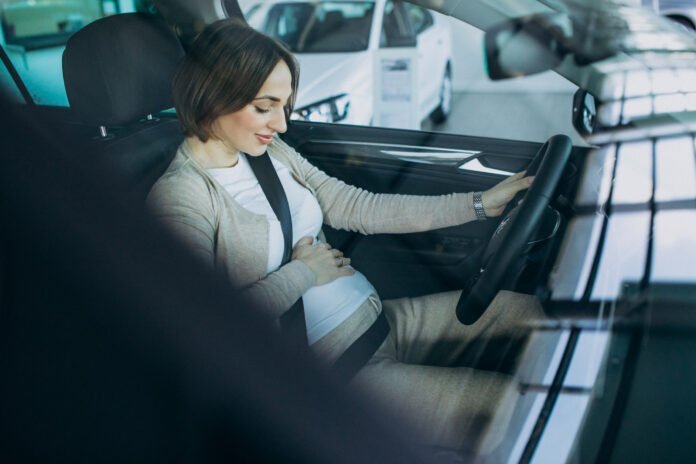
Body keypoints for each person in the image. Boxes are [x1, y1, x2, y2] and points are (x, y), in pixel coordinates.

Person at [147, 18, 543, 453]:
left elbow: (360, 207)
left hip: (383, 321)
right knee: (518, 413)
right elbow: (206, 326)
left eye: (284, 105)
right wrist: (303, 272)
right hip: (338, 374)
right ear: (213, 96)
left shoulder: (268, 152)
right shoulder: (181, 196)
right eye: (265, 107)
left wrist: (480, 204)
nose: (281, 124)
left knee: (532, 316)